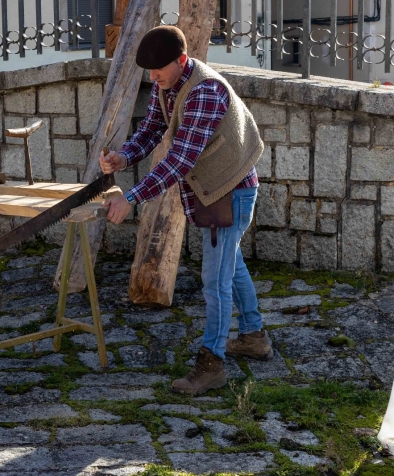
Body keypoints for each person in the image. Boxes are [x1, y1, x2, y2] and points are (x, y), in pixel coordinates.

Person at [100, 25, 272, 395]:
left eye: (157, 69)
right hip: (217, 190)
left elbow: (178, 160)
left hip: (232, 192)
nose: (152, 77)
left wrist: (130, 197)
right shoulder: (171, 85)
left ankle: (212, 365)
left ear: (181, 60)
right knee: (231, 263)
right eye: (149, 72)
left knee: (215, 282)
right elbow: (151, 130)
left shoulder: (205, 92)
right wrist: (123, 157)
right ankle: (254, 337)